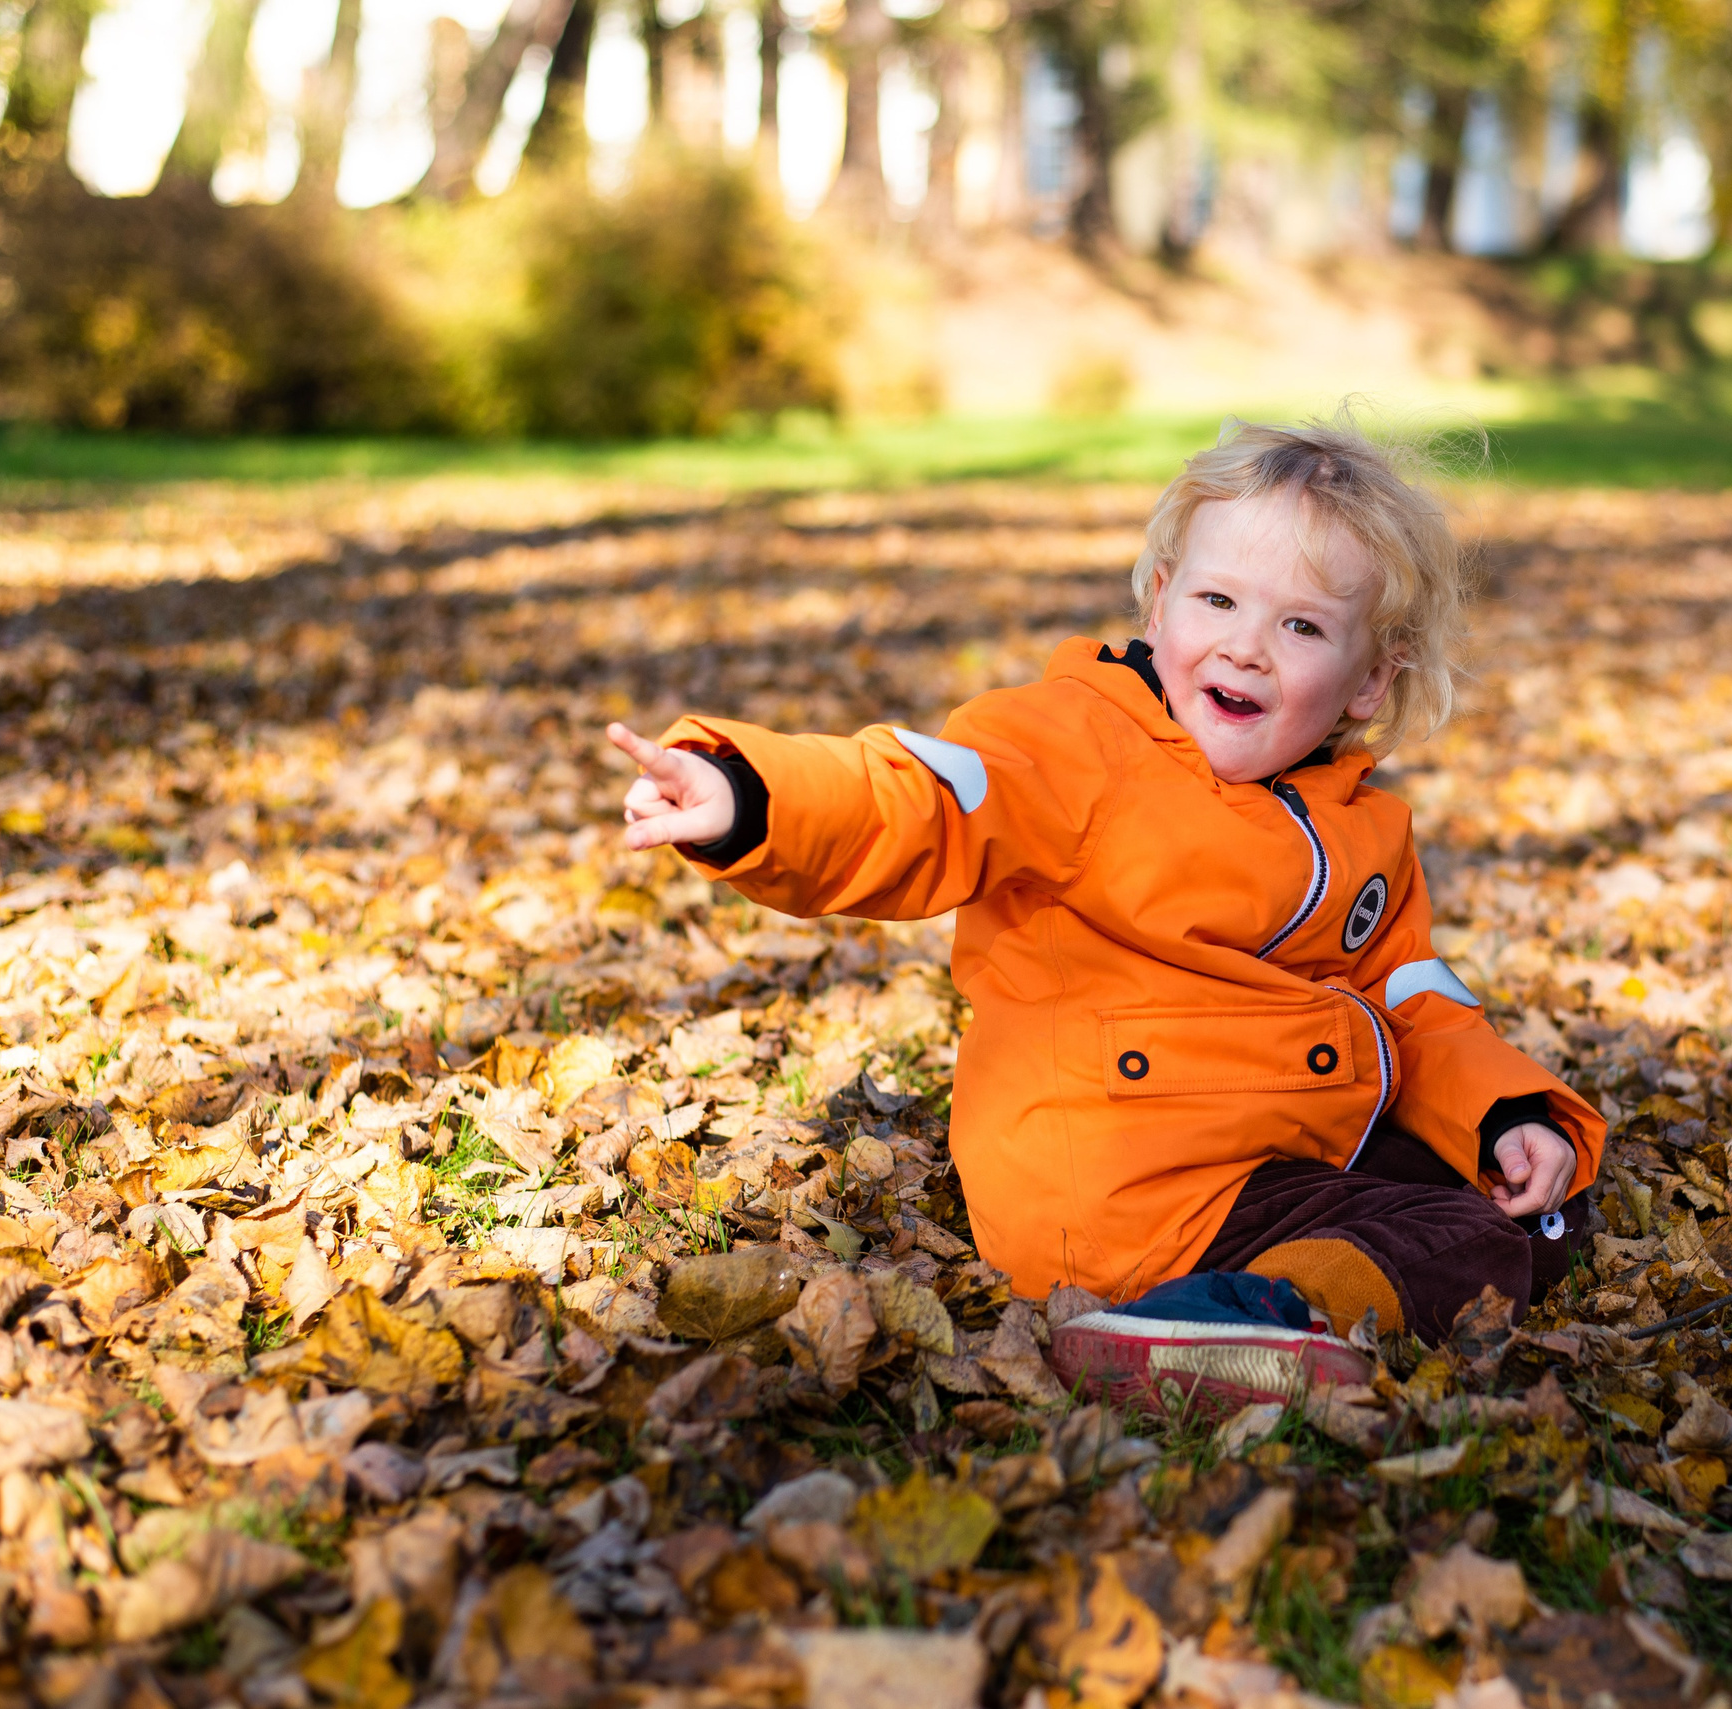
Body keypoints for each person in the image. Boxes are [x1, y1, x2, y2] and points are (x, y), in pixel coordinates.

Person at [606, 414, 1604, 1413]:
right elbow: (921, 793)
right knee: (1472, 1240)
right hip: (1124, 1183)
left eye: (1300, 626)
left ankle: (1224, 1317)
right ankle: (1250, 1320)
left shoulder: (1361, 824)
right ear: (1161, 600)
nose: (1246, 648)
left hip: (1266, 1149)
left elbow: (1410, 991)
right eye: (1218, 599)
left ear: (1368, 678)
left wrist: (1505, 1111)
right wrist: (752, 793)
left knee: (1538, 1192)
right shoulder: (1078, 745)